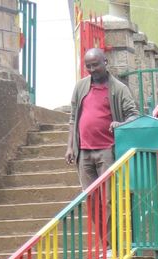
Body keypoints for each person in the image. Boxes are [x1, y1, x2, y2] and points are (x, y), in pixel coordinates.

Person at [65, 47, 139, 190]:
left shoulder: (119, 89)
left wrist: (121, 125)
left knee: (108, 198)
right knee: (90, 197)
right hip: (83, 151)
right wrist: (70, 147)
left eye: (95, 65)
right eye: (88, 66)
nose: (92, 69)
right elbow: (73, 118)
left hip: (107, 151)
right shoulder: (80, 87)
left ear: (105, 62)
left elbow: (133, 115)